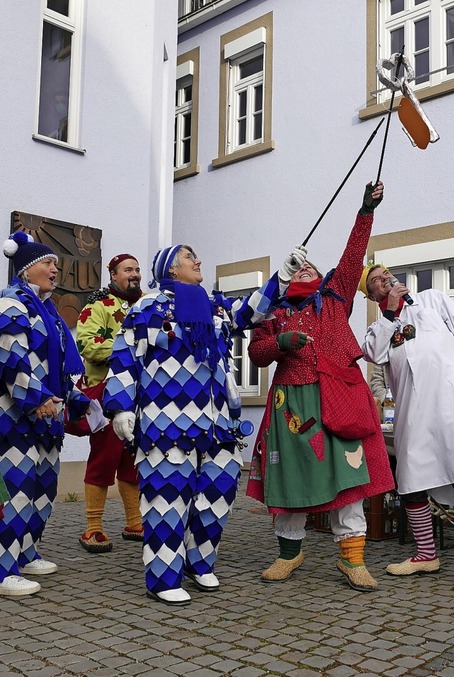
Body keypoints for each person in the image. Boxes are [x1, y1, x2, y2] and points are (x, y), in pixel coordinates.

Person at [102, 243, 305, 606]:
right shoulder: (148, 308)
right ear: (170, 269)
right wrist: (119, 407)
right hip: (167, 423)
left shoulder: (215, 308)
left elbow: (250, 312)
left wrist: (284, 276)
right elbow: (124, 356)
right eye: (188, 257)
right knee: (167, 498)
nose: (198, 261)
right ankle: (163, 578)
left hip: (217, 424)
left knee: (218, 494)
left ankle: (198, 562)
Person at [246, 182, 395, 592]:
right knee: (290, 476)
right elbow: (256, 353)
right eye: (298, 268)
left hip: (340, 400)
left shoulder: (334, 298)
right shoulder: (271, 311)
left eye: (311, 267)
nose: (307, 269)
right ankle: (289, 554)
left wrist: (366, 211)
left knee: (347, 478)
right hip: (290, 405)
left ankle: (353, 559)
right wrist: (280, 342)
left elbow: (352, 256)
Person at [361, 264, 454, 588]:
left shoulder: (434, 300)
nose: (385, 279)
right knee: (411, 482)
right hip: (412, 411)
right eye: (376, 281)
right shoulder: (380, 327)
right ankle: (426, 555)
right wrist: (390, 314)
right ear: (373, 295)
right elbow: (374, 355)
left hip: (450, 404)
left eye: (385, 274)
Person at [0, 232, 90, 596]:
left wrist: (78, 399)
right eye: (48, 262)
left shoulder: (48, 311)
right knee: (16, 493)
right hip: (16, 418)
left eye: (56, 263)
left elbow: (56, 365)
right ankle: (4, 569)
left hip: (48, 416)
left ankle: (26, 552)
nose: (56, 268)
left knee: (42, 490)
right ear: (27, 269)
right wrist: (36, 398)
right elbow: (11, 359)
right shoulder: (11, 305)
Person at [75, 254, 144, 553]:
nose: (135, 274)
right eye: (128, 270)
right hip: (105, 394)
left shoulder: (146, 306)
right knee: (104, 459)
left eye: (138, 269)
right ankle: (93, 527)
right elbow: (87, 345)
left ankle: (134, 521)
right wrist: (128, 349)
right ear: (113, 276)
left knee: (132, 460)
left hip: (140, 395)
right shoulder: (97, 307)